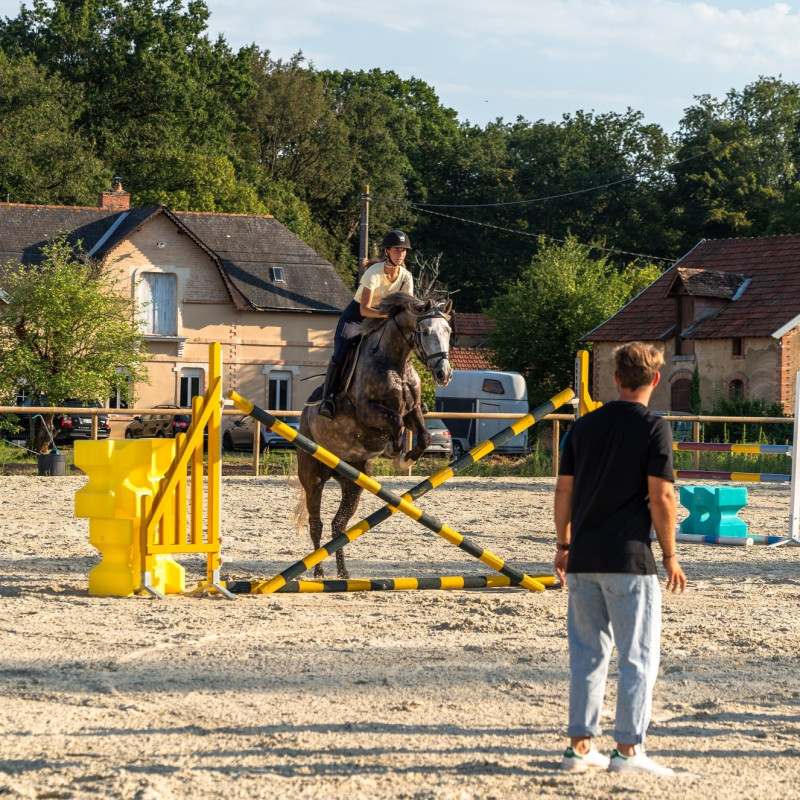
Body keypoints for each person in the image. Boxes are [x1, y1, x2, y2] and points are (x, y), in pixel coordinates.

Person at [553, 341, 687, 776]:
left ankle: (579, 748)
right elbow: (661, 495)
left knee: (587, 656)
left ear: (614, 379)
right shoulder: (654, 427)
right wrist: (669, 554)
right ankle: (628, 751)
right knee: (637, 658)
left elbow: (564, 491)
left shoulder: (583, 427)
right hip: (628, 559)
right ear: (655, 379)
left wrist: (563, 544)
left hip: (583, 555)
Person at [318, 230, 414, 419]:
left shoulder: (406, 277)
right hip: (357, 317)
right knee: (341, 351)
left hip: (384, 319)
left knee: (405, 346)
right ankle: (328, 398)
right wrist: (389, 316)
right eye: (397, 250)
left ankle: (411, 393)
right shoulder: (374, 272)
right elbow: (365, 310)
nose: (401, 254)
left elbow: (408, 306)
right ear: (387, 251)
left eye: (404, 251)